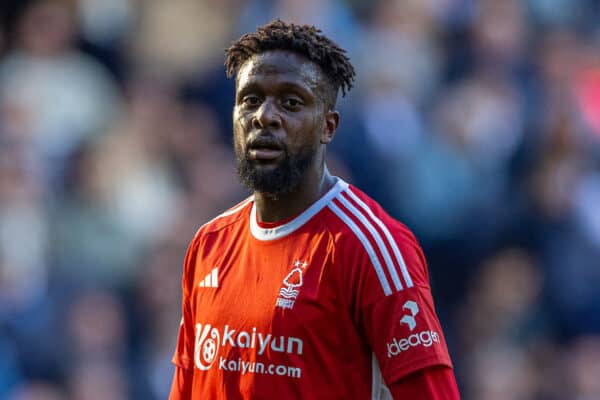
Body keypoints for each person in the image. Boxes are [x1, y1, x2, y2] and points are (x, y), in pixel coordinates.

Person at [169, 19, 460, 399]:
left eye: (291, 102)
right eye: (250, 100)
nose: (264, 117)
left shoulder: (372, 248)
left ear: (328, 126)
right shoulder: (209, 245)